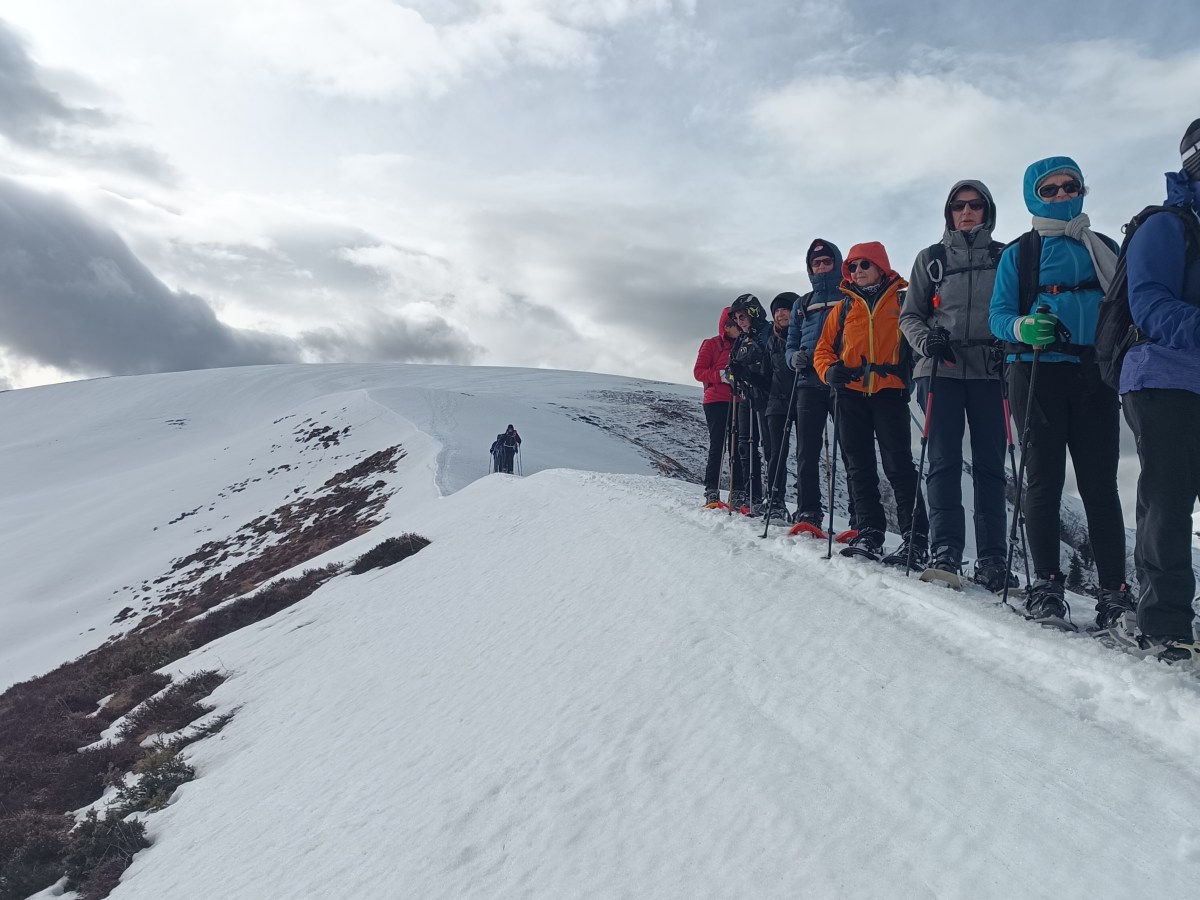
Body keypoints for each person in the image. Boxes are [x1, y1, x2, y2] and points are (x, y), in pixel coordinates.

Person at [988, 156, 1128, 627]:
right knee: (1044, 481)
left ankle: (1115, 591)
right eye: (1051, 190)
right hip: (1036, 371)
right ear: (1034, 196)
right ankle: (1046, 585)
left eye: (1071, 186)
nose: (1063, 195)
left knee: (1099, 486)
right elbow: (999, 316)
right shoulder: (1020, 253)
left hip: (1095, 374)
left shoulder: (1104, 247)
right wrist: (1024, 327)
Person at [900, 180, 1015, 589]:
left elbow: (1018, 309)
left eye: (975, 205)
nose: (966, 212)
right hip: (939, 372)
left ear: (987, 211)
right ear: (948, 213)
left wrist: (1010, 344)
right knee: (943, 462)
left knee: (991, 467)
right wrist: (925, 342)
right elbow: (910, 315)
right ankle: (945, 549)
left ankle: (993, 559)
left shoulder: (1006, 257)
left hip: (991, 371)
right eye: (958, 206)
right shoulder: (930, 260)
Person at [1117, 120, 1200, 661]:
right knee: (1169, 499)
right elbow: (1147, 304)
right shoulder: (1167, 225)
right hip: (1162, 377)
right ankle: (1163, 623)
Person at [813, 242, 928, 564]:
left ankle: (915, 538)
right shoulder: (845, 307)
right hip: (849, 393)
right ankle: (870, 532)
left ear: (881, 266)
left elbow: (919, 336)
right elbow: (824, 349)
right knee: (858, 466)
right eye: (852, 266)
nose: (858, 271)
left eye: (864, 265)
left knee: (899, 466)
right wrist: (828, 371)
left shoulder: (904, 301)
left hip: (890, 392)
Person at [786, 240, 848, 530]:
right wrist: (793, 359)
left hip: (841, 381)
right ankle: (808, 512)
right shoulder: (802, 303)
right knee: (806, 452)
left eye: (826, 261)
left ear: (836, 262)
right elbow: (790, 344)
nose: (821, 266)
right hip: (808, 383)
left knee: (850, 449)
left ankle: (860, 516)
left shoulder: (849, 296)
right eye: (816, 262)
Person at [727, 293, 772, 510]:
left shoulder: (768, 332)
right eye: (736, 319)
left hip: (767, 398)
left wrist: (747, 373)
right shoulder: (740, 340)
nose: (739, 322)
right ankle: (751, 495)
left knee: (770, 447)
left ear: (753, 313)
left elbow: (773, 367)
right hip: (746, 397)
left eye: (742, 316)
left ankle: (773, 498)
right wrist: (733, 375)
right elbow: (732, 369)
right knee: (745, 446)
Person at [694, 306, 738, 504]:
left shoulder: (744, 344)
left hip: (739, 400)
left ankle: (737, 491)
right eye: (733, 324)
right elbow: (698, 371)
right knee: (718, 445)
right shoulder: (711, 344)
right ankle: (712, 489)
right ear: (726, 326)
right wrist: (721, 376)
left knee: (737, 447)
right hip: (716, 400)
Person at [762, 292, 799, 519]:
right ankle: (775, 500)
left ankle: (806, 505)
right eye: (776, 311)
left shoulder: (804, 336)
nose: (780, 314)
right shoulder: (772, 341)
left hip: (803, 398)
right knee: (777, 453)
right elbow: (765, 375)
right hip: (776, 402)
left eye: (784, 309)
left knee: (805, 454)